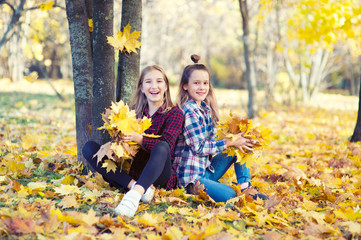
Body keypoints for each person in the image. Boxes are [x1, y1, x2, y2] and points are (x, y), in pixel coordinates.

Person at [82, 65, 184, 217]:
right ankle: (137, 188)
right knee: (89, 148)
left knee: (162, 146)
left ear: (166, 86)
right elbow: (120, 148)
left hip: (159, 176)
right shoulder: (132, 112)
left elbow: (168, 146)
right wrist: (117, 141)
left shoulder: (174, 113)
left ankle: (133, 197)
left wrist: (140, 139)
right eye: (148, 82)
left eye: (159, 81)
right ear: (142, 88)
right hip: (131, 173)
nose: (154, 86)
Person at [174, 55, 268, 202]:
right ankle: (209, 190)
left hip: (205, 170)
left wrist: (237, 136)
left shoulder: (204, 108)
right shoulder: (189, 111)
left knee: (239, 147)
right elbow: (199, 148)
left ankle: (246, 188)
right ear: (185, 86)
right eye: (196, 83)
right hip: (192, 179)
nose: (202, 87)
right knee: (229, 195)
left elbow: (214, 141)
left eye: (205, 83)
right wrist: (230, 142)